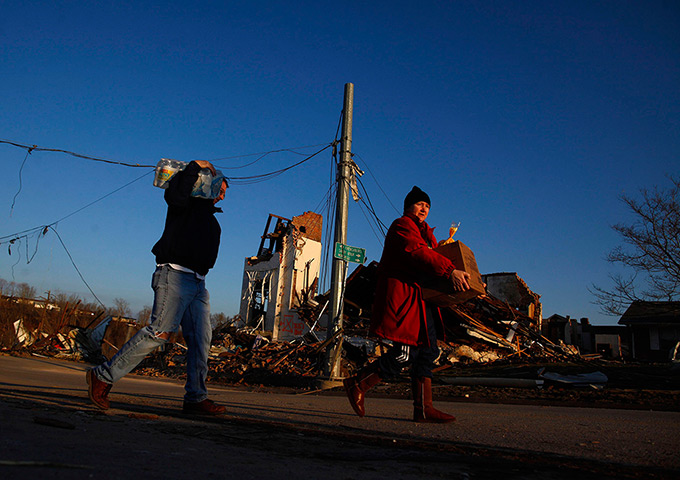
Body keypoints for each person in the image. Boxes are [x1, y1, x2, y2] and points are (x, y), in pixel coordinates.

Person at [86, 160, 228, 415]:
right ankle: (102, 376)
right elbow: (174, 194)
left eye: (224, 192)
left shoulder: (212, 222)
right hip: (173, 275)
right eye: (219, 187)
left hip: (198, 283)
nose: (221, 194)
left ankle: (196, 398)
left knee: (201, 340)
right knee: (159, 332)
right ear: (206, 185)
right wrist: (194, 166)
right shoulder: (184, 205)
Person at [344, 186, 470, 423]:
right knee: (405, 353)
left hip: (423, 302)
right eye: (420, 204)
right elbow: (418, 253)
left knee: (429, 350)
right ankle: (358, 383)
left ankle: (423, 408)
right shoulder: (402, 225)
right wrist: (449, 269)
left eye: (427, 206)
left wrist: (443, 250)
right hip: (404, 299)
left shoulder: (427, 234)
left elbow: (430, 252)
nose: (424, 209)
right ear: (408, 207)